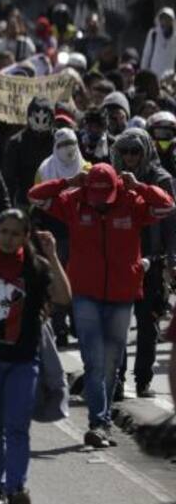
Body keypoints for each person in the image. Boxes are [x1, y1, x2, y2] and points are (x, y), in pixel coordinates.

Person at [28, 163, 173, 447]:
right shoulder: (74, 200)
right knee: (93, 361)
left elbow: (167, 205)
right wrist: (67, 181)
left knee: (111, 361)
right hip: (85, 294)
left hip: (123, 294)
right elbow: (35, 195)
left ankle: (103, 420)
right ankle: (99, 422)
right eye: (94, 196)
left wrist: (139, 186)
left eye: (104, 197)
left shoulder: (133, 202)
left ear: (117, 188)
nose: (100, 204)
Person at [0, 210, 70, 504]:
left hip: (24, 361)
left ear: (25, 237)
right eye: (3, 231)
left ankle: (16, 489)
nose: (8, 238)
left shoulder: (36, 268)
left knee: (17, 427)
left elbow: (63, 296)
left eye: (15, 233)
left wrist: (53, 255)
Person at [108, 128, 176, 399]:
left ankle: (143, 381)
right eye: (124, 151)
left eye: (135, 151)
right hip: (120, 261)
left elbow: (171, 223)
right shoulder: (112, 179)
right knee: (117, 324)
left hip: (152, 262)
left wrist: (172, 260)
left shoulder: (162, 179)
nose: (129, 157)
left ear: (146, 151)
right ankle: (117, 379)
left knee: (147, 325)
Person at [140, 7, 176, 77]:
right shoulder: (153, 34)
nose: (165, 21)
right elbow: (146, 55)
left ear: (172, 21)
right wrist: (142, 73)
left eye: (168, 18)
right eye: (163, 18)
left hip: (170, 78)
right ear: (159, 20)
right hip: (154, 76)